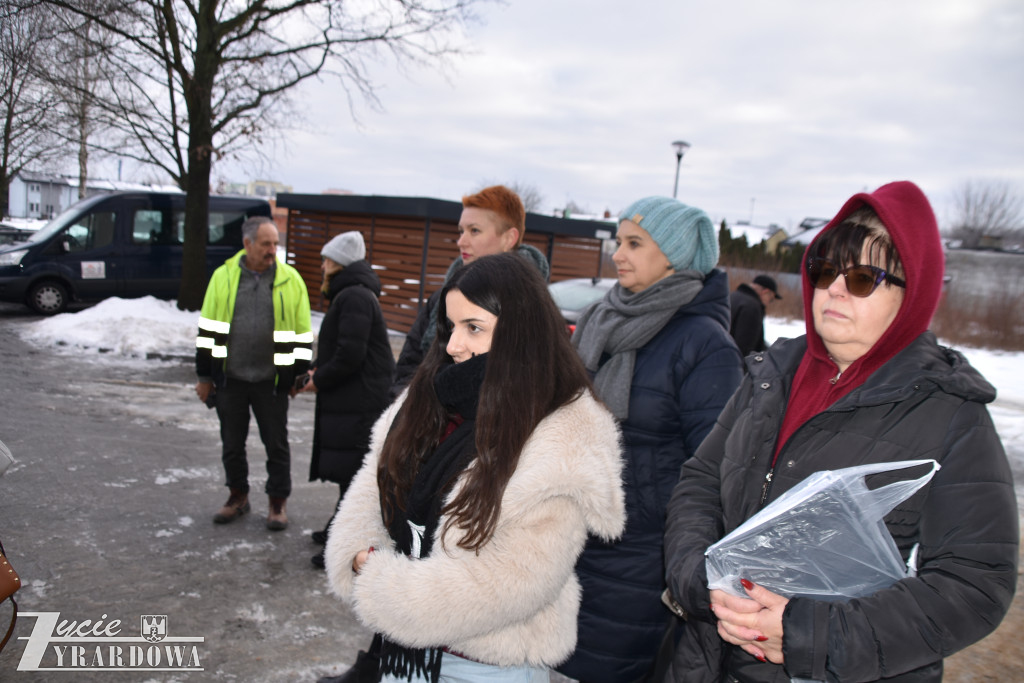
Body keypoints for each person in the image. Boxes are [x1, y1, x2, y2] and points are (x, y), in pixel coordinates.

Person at [662, 181, 1019, 682]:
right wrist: (699, 580)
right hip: (709, 657)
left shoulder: (950, 410)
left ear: (911, 293)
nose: (832, 287)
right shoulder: (772, 374)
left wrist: (812, 635)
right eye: (825, 269)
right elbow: (700, 480)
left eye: (861, 278)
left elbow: (975, 583)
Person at [323, 252, 625, 683]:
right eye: (451, 326)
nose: (453, 345)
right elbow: (373, 485)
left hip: (489, 666)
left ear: (520, 334)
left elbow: (516, 580)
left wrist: (385, 586)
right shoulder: (427, 398)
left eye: (474, 328)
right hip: (406, 656)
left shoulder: (565, 434)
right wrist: (357, 552)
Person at [557, 197, 744, 683]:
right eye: (618, 241)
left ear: (675, 255)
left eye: (635, 243)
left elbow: (716, 467)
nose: (618, 253)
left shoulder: (705, 345)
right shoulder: (601, 319)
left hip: (644, 557)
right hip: (573, 535)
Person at [195, 216, 313, 530]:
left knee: (276, 444)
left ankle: (277, 502)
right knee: (232, 443)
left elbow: (302, 334)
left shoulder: (291, 280)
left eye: (276, 243)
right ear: (248, 245)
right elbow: (207, 331)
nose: (273, 250)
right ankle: (238, 496)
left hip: (271, 382)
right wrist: (205, 377)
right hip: (230, 379)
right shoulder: (222, 277)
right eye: (266, 244)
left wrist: (298, 376)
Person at [391, 185, 549, 394]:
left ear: (509, 238)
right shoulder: (442, 298)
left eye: (474, 230)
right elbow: (408, 367)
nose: (461, 242)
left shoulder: (531, 307)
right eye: (461, 231)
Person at [298, 231, 395, 569]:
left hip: (360, 403)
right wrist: (316, 369)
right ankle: (336, 531)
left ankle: (343, 546)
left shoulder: (354, 296)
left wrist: (319, 379)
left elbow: (350, 354)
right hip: (354, 400)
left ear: (338, 263)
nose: (322, 266)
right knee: (349, 475)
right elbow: (341, 348)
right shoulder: (353, 294)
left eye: (326, 259)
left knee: (353, 476)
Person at [729, 273, 781, 356]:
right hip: (732, 363)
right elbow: (745, 347)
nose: (769, 303)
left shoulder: (732, 296)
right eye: (771, 299)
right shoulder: (752, 308)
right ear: (765, 292)